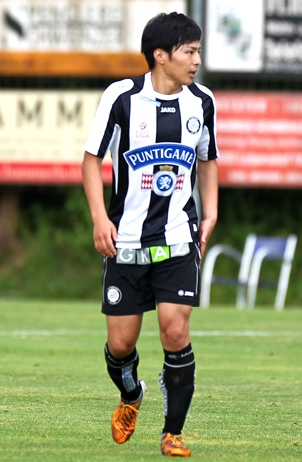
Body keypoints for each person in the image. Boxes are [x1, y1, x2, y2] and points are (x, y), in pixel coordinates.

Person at [81, 11, 219, 458]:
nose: (196, 60)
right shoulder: (121, 97)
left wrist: (211, 212)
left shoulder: (202, 101)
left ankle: (172, 433)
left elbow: (207, 159)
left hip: (179, 237)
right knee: (121, 345)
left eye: (198, 51)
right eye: (189, 52)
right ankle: (131, 394)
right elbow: (90, 161)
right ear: (161, 56)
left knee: (174, 330)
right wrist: (101, 218)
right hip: (126, 241)